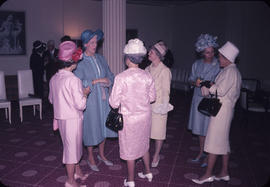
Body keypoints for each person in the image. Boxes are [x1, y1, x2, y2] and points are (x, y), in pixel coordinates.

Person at [192, 41, 242, 184]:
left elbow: (220, 90)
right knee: (223, 143)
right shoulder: (230, 70)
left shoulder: (231, 72)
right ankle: (224, 172)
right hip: (224, 110)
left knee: (214, 143)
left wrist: (210, 85)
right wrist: (209, 88)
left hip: (222, 112)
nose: (218, 59)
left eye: (220, 57)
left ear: (227, 58)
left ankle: (208, 174)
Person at [109, 38, 156, 187]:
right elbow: (153, 98)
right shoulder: (147, 75)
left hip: (129, 119)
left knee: (129, 149)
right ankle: (148, 171)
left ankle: (130, 180)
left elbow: (113, 103)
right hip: (145, 117)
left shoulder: (121, 78)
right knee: (144, 144)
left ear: (127, 58)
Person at [74, 29, 117, 172]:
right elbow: (78, 83)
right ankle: (90, 155)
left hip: (104, 99)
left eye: (96, 42)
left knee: (104, 125)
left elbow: (111, 76)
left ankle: (102, 154)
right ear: (85, 44)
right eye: (92, 43)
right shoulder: (80, 62)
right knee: (91, 127)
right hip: (91, 100)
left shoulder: (101, 58)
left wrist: (107, 81)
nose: (95, 45)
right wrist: (96, 81)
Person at [49, 41, 90, 187]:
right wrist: (85, 94)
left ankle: (77, 172)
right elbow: (81, 104)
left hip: (61, 118)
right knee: (71, 150)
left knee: (71, 146)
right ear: (73, 62)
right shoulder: (74, 80)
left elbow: (51, 99)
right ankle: (70, 181)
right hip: (73, 118)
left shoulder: (54, 78)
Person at [187, 34, 220, 167]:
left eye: (212, 51)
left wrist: (211, 84)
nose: (210, 54)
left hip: (211, 100)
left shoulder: (218, 64)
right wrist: (196, 83)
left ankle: (209, 155)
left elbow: (221, 83)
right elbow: (190, 79)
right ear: (202, 52)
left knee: (210, 128)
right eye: (207, 52)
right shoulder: (196, 64)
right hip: (197, 98)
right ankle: (201, 152)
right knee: (200, 128)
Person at [145, 41, 173, 167]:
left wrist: (164, 107)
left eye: (151, 52)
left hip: (160, 106)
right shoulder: (147, 68)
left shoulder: (165, 70)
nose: (148, 53)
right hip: (146, 105)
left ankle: (156, 154)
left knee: (158, 133)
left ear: (157, 55)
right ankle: (145, 153)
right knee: (146, 132)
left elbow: (166, 91)